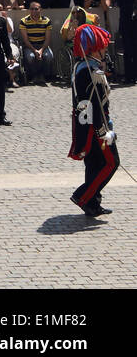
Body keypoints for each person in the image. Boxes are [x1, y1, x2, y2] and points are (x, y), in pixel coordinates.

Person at [68, 24, 120, 217]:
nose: (105, 50)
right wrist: (102, 131)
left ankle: (93, 203)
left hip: (86, 125)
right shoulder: (91, 73)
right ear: (94, 48)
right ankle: (83, 196)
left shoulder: (83, 67)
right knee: (111, 163)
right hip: (96, 127)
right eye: (103, 47)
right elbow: (93, 107)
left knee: (94, 163)